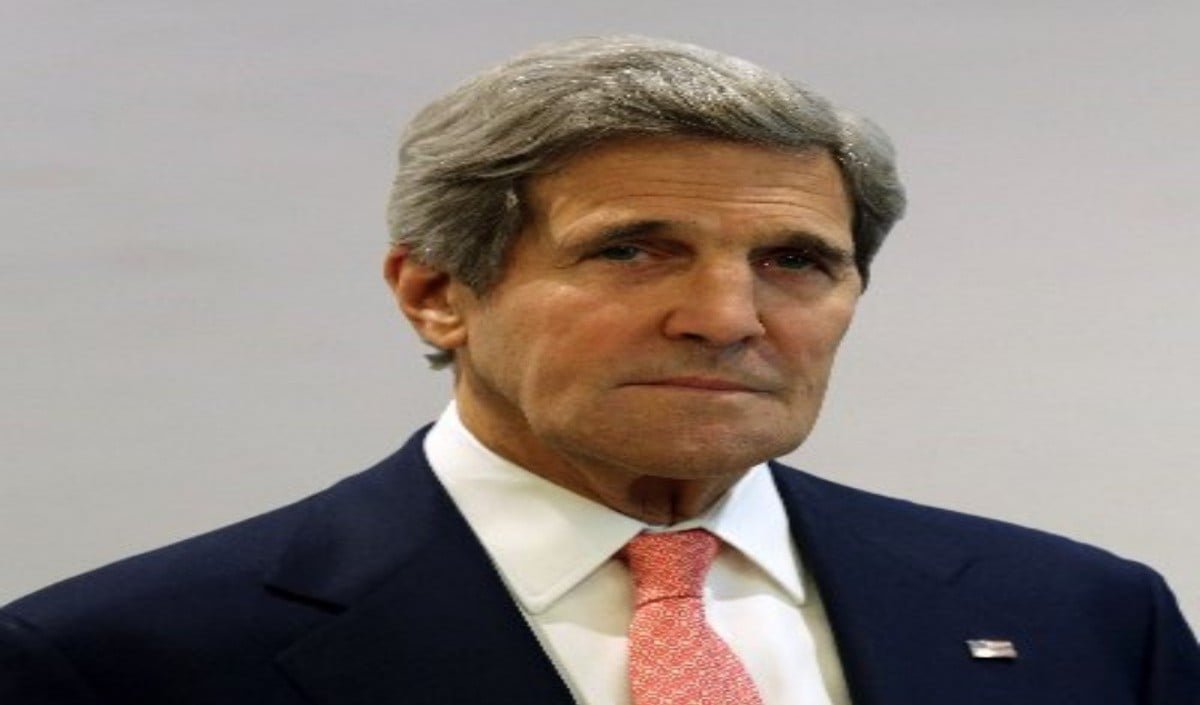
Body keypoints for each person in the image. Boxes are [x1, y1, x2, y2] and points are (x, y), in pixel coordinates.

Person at [1, 35, 1196, 705]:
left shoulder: (1085, 619)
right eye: (632, 251)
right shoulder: (114, 666)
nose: (724, 319)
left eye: (794, 261)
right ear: (436, 291)